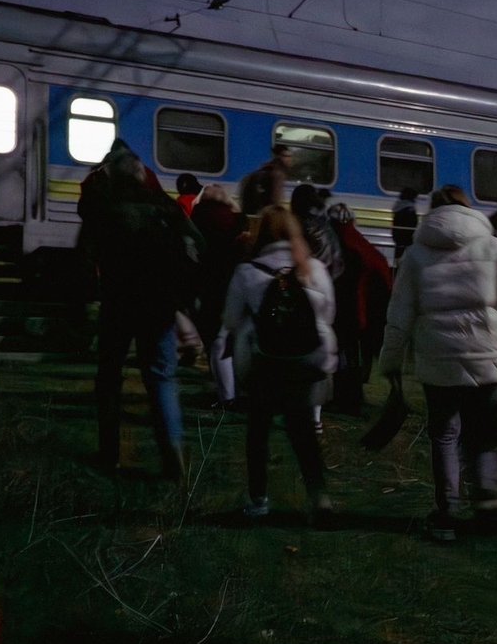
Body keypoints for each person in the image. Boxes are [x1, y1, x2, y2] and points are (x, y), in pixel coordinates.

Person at [378, 185, 497, 542]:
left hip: (438, 355)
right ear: (466, 207)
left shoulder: (415, 254)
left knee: (445, 433)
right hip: (487, 353)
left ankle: (446, 511)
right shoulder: (491, 245)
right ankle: (487, 499)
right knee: (483, 428)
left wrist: (391, 362)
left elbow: (399, 313)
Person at [78, 141, 201, 481]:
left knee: (109, 378)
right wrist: (182, 301)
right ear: (141, 175)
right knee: (161, 377)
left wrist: (88, 298)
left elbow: (84, 258)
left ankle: (109, 455)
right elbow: (195, 246)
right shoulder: (162, 204)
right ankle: (172, 451)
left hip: (118, 303)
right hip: (159, 304)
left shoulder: (103, 207)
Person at [222, 206, 339, 521]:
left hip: (264, 362)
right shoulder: (314, 268)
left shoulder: (247, 271)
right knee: (303, 434)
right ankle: (320, 500)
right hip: (304, 363)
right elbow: (328, 317)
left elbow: (231, 320)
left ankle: (258, 499)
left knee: (258, 433)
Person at [329, 203, 393, 416]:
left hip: (351, 311)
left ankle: (348, 398)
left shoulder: (341, 246)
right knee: (356, 356)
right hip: (370, 311)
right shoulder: (362, 245)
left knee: (345, 356)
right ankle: (353, 397)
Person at [291, 185, 346, 433]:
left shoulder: (297, 226)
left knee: (296, 352)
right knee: (319, 353)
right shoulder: (326, 226)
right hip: (325, 288)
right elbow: (337, 260)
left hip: (303, 290)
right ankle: (314, 416)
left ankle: (302, 414)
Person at [191, 183, 247, 410]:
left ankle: (226, 396)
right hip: (235, 283)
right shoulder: (238, 220)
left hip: (210, 284)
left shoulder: (198, 216)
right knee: (231, 339)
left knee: (216, 341)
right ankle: (237, 392)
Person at [240, 143, 293, 215]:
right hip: (268, 214)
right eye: (286, 156)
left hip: (255, 211)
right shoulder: (278, 173)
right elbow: (276, 200)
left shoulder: (264, 168)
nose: (289, 159)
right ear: (279, 156)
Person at [390, 185, 420, 268]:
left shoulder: (398, 208)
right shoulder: (410, 210)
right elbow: (412, 227)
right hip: (407, 244)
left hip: (398, 241)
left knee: (398, 263)